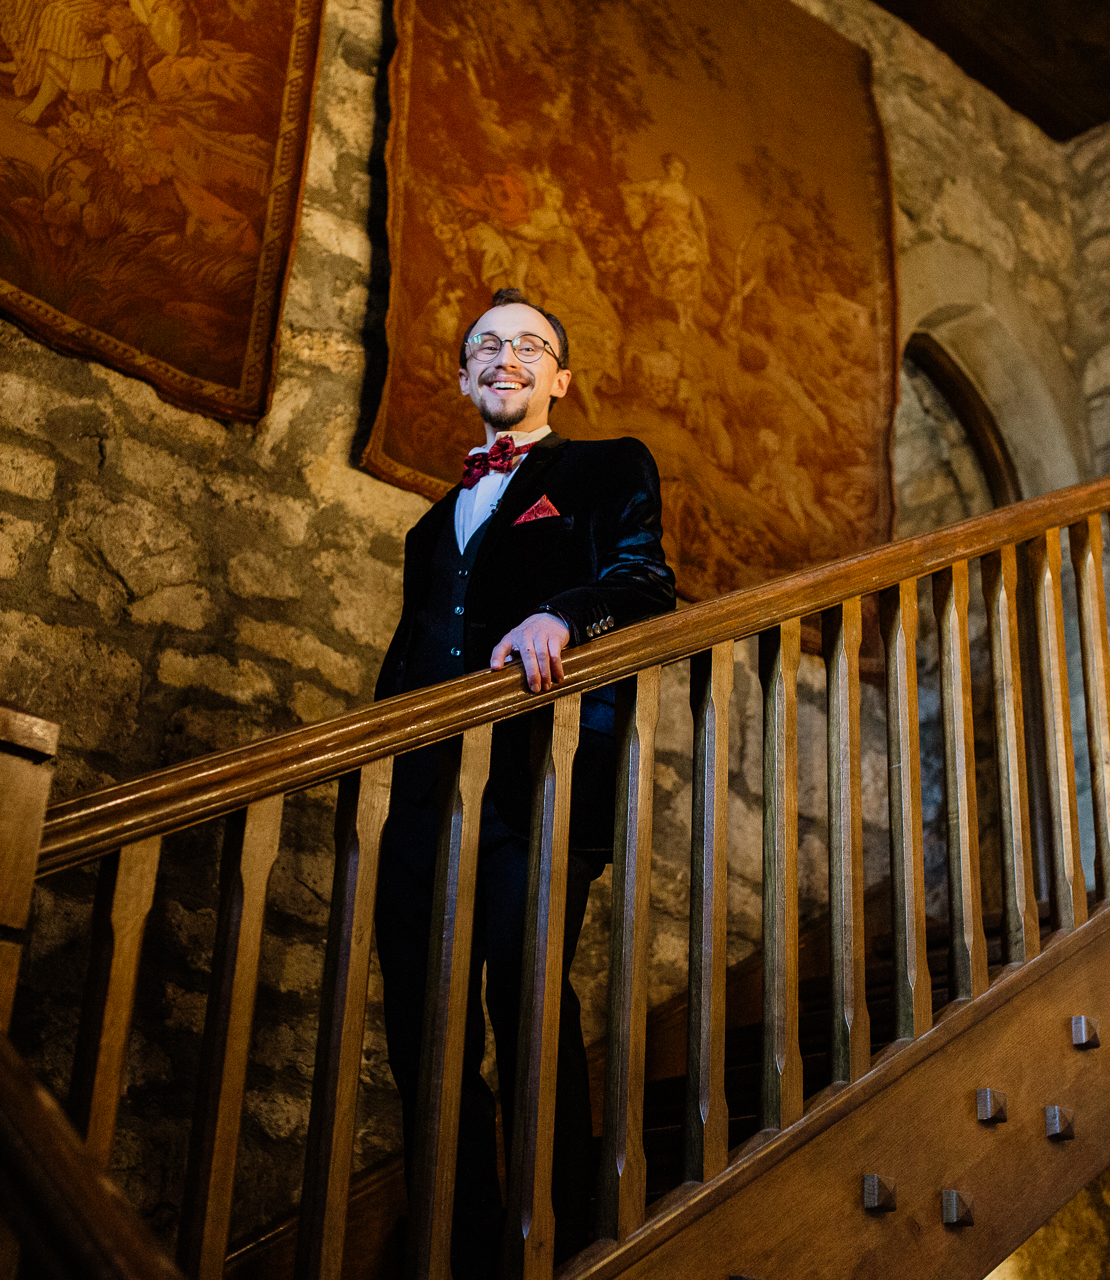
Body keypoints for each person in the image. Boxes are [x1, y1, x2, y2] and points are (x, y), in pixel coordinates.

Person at [372, 288, 675, 1273]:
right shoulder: (430, 529)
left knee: (529, 1002)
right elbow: (409, 653)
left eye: (529, 346)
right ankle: (459, 1249)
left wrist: (565, 614)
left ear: (560, 377)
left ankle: (567, 1237)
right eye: (485, 347)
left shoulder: (604, 466)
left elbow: (643, 580)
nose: (506, 358)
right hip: (424, 799)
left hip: (539, 785)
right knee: (425, 1025)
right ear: (464, 377)